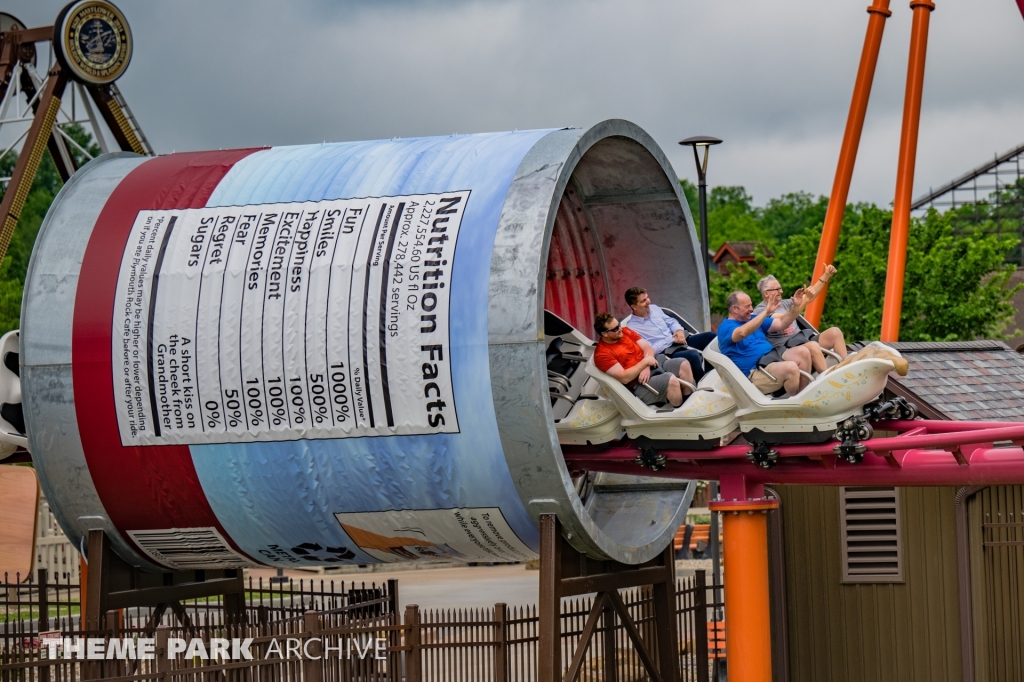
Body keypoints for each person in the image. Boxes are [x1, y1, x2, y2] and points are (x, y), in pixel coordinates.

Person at [752, 266, 847, 373]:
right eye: (777, 289)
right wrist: (803, 302)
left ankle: (845, 368)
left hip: (803, 339)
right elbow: (783, 319)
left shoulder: (784, 303)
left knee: (835, 332)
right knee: (813, 346)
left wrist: (826, 276)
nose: (781, 291)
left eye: (780, 288)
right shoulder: (760, 311)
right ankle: (828, 377)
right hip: (786, 350)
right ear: (766, 293)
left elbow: (809, 296)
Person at [717, 290, 813, 396]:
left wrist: (795, 307)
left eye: (751, 305)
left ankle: (804, 394)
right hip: (754, 372)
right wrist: (766, 312)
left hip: (772, 358)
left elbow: (782, 322)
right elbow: (742, 333)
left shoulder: (753, 318)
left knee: (803, 352)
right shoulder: (725, 328)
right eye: (747, 306)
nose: (751, 309)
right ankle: (796, 402)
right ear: (735, 309)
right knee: (790, 368)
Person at [593, 312, 696, 408]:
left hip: (651, 366)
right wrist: (645, 363)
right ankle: (680, 412)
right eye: (615, 329)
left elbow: (648, 348)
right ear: (604, 334)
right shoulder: (602, 354)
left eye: (618, 324)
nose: (619, 329)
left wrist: (646, 366)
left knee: (683, 363)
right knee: (671, 380)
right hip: (639, 383)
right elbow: (624, 378)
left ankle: (690, 404)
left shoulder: (625, 331)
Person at [623, 287, 715, 383]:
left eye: (647, 298)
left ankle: (711, 373)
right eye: (643, 301)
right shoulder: (632, 328)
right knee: (693, 355)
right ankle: (703, 383)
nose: (648, 302)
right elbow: (650, 349)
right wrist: (670, 339)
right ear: (634, 307)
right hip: (666, 352)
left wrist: (678, 330)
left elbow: (671, 322)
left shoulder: (654, 308)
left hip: (678, 339)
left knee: (710, 337)